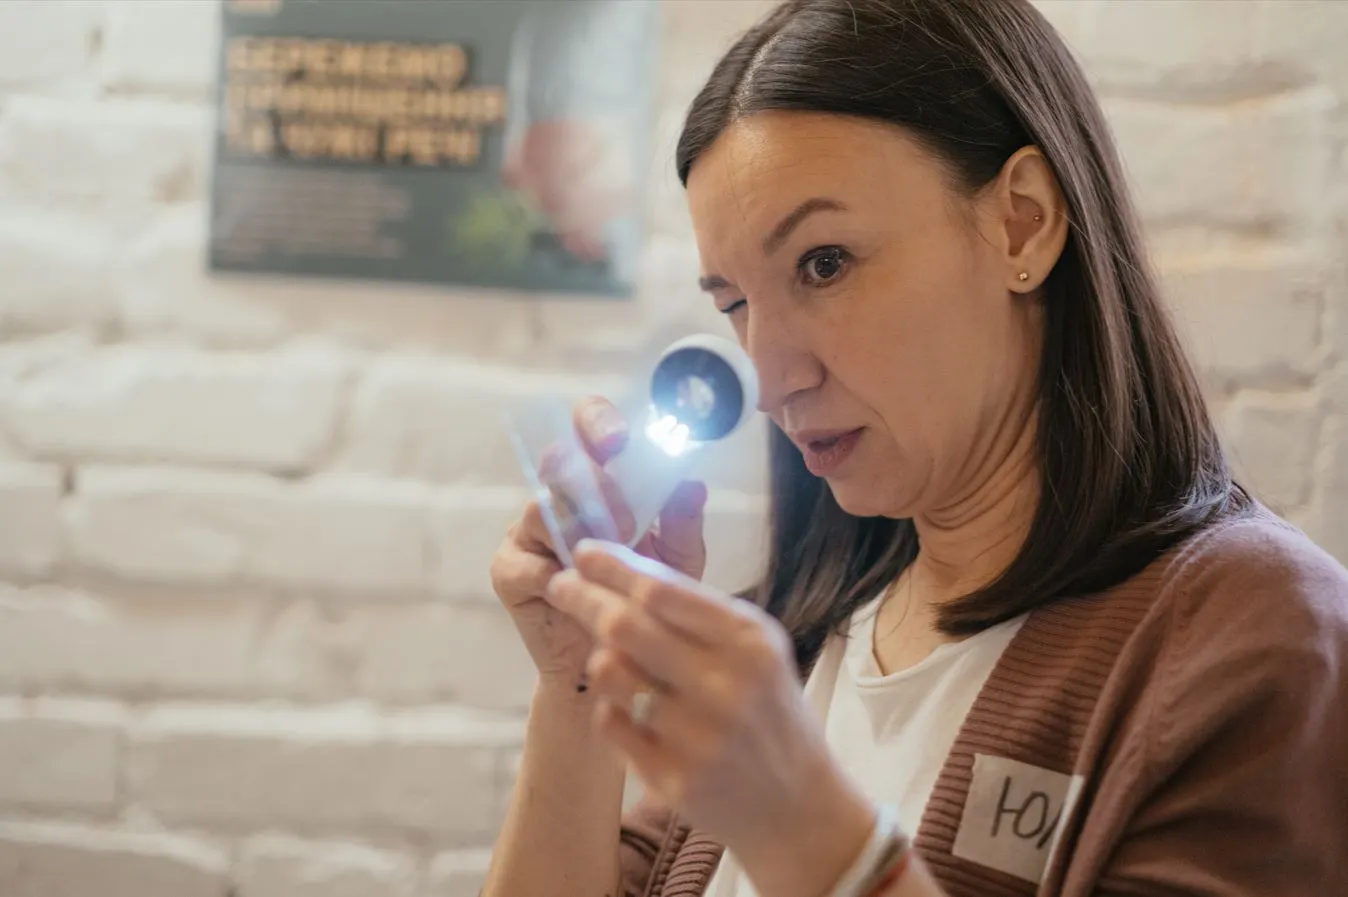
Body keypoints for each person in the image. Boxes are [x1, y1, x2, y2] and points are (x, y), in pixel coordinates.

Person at [484, 1, 1348, 895]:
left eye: (824, 263)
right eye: (734, 303)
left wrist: (805, 830)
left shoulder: (1256, 637)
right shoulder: (797, 635)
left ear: (1022, 221)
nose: (771, 382)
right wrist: (578, 686)